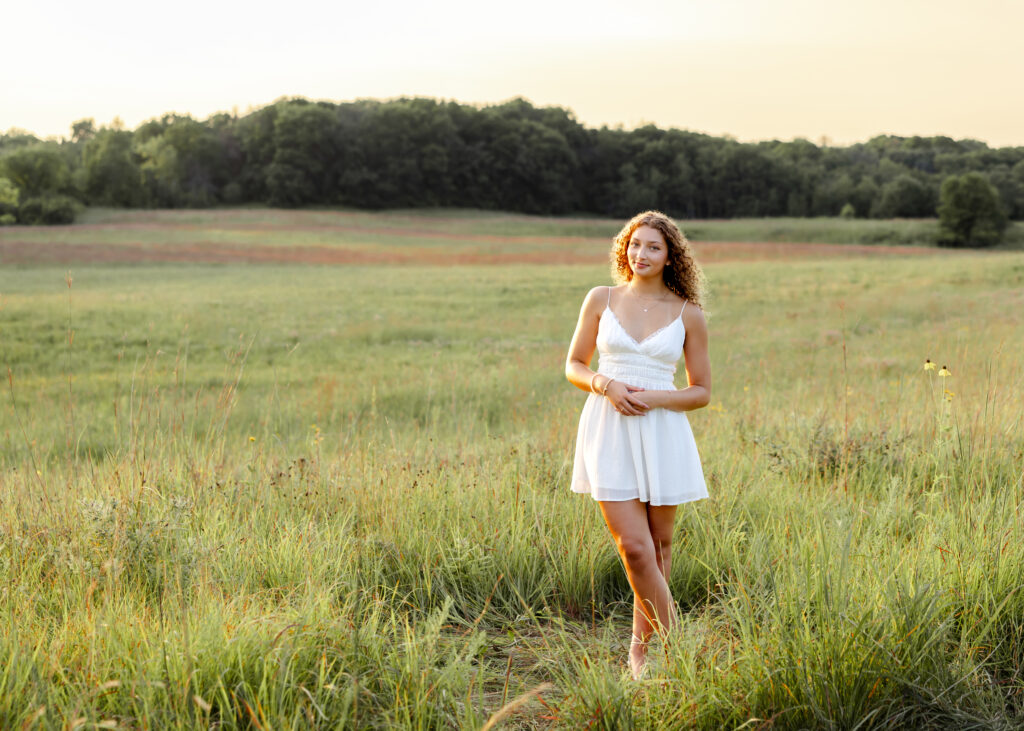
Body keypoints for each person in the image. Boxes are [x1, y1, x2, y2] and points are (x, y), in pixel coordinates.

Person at [564, 210, 710, 680]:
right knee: (635, 549)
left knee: (660, 550)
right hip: (608, 428)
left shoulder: (688, 313)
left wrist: (655, 397)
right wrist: (606, 384)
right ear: (623, 249)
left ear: (670, 256)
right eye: (634, 244)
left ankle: (640, 658)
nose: (641, 254)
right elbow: (574, 365)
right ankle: (680, 649)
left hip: (662, 431)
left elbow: (701, 390)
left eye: (653, 247)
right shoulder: (600, 298)